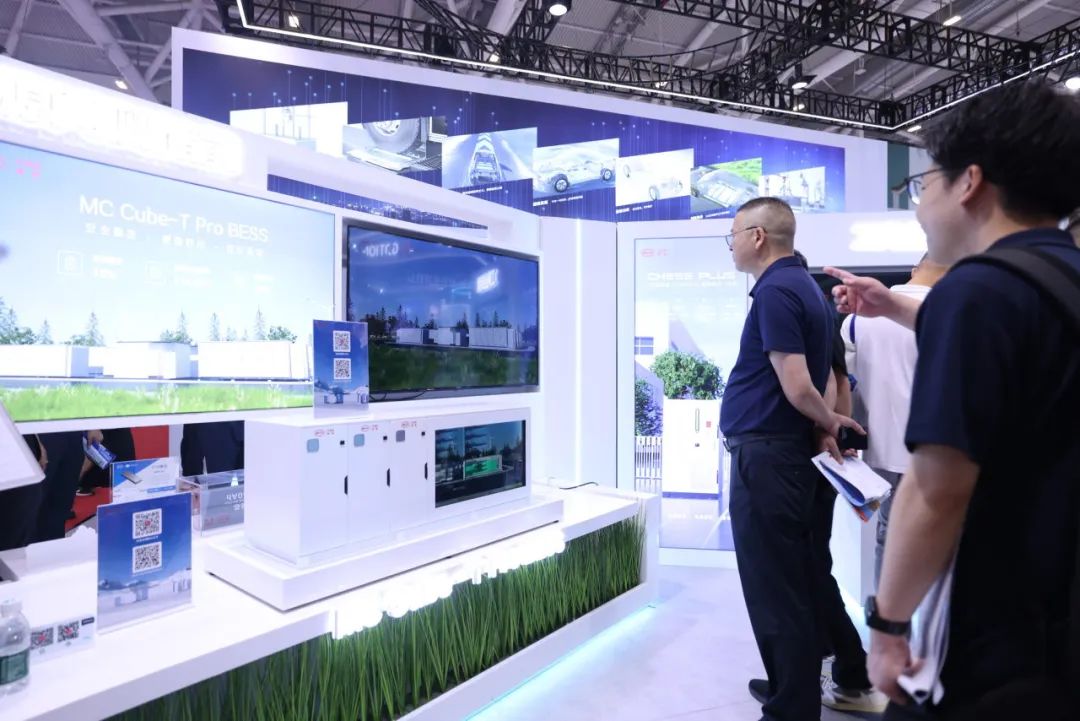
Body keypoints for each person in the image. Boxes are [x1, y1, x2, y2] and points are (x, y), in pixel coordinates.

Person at [825, 80, 1080, 720]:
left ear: (970, 182)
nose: (920, 205)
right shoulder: (1059, 277)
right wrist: (895, 307)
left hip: (997, 633)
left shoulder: (979, 291)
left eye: (925, 183)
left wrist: (889, 625)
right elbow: (1024, 345)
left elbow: (937, 491)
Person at [720, 198, 873, 721]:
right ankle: (794, 686)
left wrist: (828, 422)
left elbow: (799, 385)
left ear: (757, 236)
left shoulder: (776, 292)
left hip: (767, 457)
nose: (731, 244)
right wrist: (826, 426)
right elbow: (830, 377)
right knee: (797, 579)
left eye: (733, 234)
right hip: (786, 455)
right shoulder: (806, 289)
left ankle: (792, 707)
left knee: (775, 588)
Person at [839, 254, 946, 586]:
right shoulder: (949, 316)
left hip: (880, 452)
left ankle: (886, 613)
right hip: (936, 451)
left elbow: (848, 388)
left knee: (889, 536)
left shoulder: (856, 320)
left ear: (915, 270)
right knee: (945, 541)